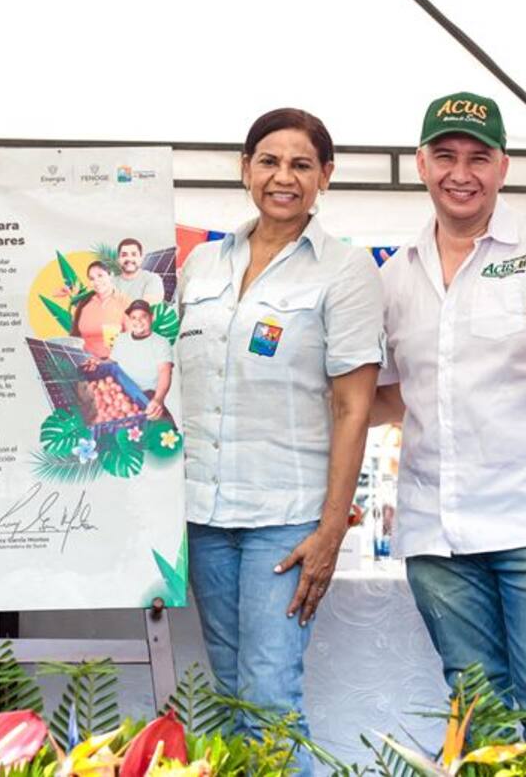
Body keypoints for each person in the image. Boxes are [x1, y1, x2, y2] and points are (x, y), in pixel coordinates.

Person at [372, 92, 526, 727]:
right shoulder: (396, 273)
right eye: (446, 156)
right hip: (439, 531)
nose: (462, 173)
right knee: (476, 718)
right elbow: (388, 397)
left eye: (478, 158)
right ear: (421, 164)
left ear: (504, 166)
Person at [177, 108, 382, 775]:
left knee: (269, 697)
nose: (283, 177)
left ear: (325, 175)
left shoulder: (346, 270)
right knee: (234, 694)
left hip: (286, 519)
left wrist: (330, 531)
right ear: (245, 169)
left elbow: (354, 408)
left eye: (301, 164)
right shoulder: (203, 263)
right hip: (203, 514)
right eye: (269, 161)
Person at [108, 300, 173, 421]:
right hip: (121, 394)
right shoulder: (121, 339)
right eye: (134, 317)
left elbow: (165, 371)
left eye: (143, 317)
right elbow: (111, 362)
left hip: (147, 396)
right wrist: (96, 363)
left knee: (167, 433)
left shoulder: (161, 342)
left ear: (151, 318)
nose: (138, 321)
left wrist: (158, 400)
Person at [70, 260, 131, 357]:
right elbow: (75, 338)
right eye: (91, 278)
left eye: (100, 276)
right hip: (85, 361)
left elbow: (132, 340)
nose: (96, 281)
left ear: (111, 275)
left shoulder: (124, 302)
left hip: (114, 364)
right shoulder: (84, 304)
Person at [114, 237, 166, 303]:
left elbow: (146, 310)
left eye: (134, 254)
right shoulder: (111, 282)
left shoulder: (152, 279)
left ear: (141, 258)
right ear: (118, 259)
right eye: (124, 255)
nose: (129, 259)